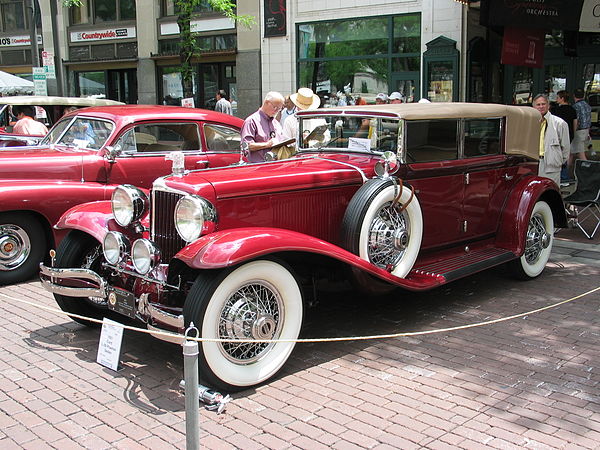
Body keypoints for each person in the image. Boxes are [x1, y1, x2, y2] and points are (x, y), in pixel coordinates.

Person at [532, 94, 570, 186]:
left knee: (550, 193)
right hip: (534, 163)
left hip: (551, 166)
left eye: (543, 104)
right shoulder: (530, 123)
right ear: (534, 107)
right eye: (538, 104)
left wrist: (557, 161)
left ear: (548, 105)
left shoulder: (560, 123)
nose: (541, 106)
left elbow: (566, 148)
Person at [240, 91, 286, 162]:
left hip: (275, 166)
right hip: (258, 166)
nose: (276, 111)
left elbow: (283, 140)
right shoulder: (252, 121)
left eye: (279, 109)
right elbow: (247, 146)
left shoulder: (276, 123)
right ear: (267, 102)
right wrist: (267, 145)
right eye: (275, 107)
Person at [282, 87, 328, 155]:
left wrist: (320, 138)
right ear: (297, 105)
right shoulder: (289, 121)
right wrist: (299, 140)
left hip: (316, 156)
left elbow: (327, 139)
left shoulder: (320, 120)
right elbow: (285, 143)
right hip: (296, 158)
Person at [552, 91, 577, 183]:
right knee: (565, 154)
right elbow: (575, 123)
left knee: (558, 154)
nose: (556, 99)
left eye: (558, 97)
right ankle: (565, 176)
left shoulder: (556, 110)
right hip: (569, 134)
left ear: (562, 99)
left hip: (558, 134)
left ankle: (562, 175)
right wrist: (573, 133)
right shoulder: (572, 109)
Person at [569, 88, 591, 175]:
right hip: (585, 130)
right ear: (583, 95)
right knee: (572, 152)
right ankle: (567, 172)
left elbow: (576, 121)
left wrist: (573, 132)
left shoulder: (575, 107)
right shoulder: (587, 106)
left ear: (574, 96)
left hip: (578, 132)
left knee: (580, 154)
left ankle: (589, 171)